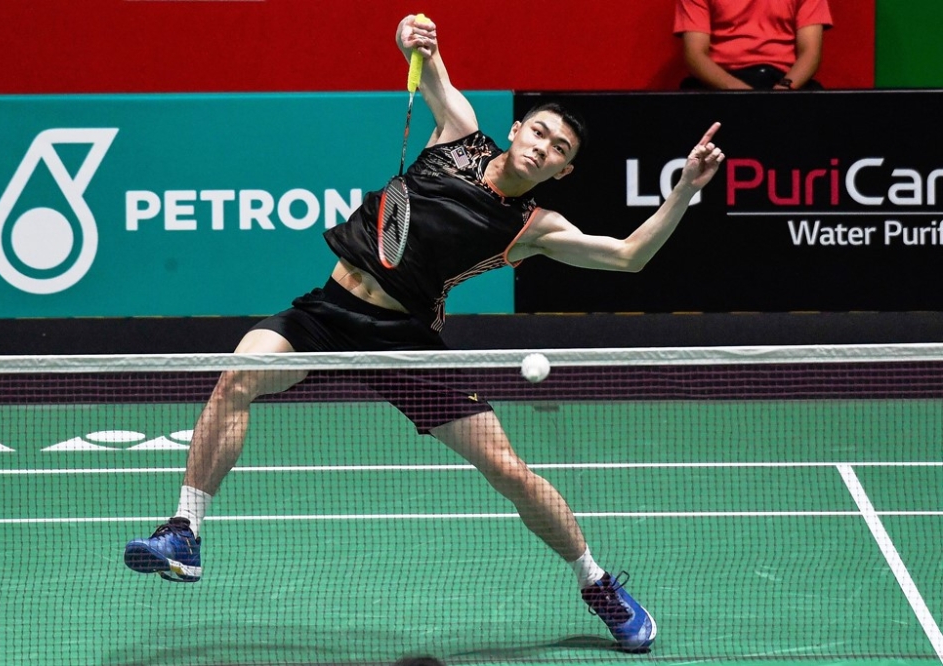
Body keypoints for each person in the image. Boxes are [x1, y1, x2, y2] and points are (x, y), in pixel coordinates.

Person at [123, 14, 725, 653]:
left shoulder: (535, 225)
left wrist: (684, 189)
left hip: (403, 338)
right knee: (238, 374)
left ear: (561, 172)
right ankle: (184, 533)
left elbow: (628, 256)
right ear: (517, 128)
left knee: (507, 470)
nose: (544, 146)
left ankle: (598, 583)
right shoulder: (460, 133)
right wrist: (413, 33)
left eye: (559, 151)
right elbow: (422, 54)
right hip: (327, 312)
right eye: (540, 132)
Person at [675, 0, 834, 90]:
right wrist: (740, 92)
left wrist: (785, 88)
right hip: (721, 83)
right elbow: (695, 55)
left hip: (785, 81)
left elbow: (811, 52)